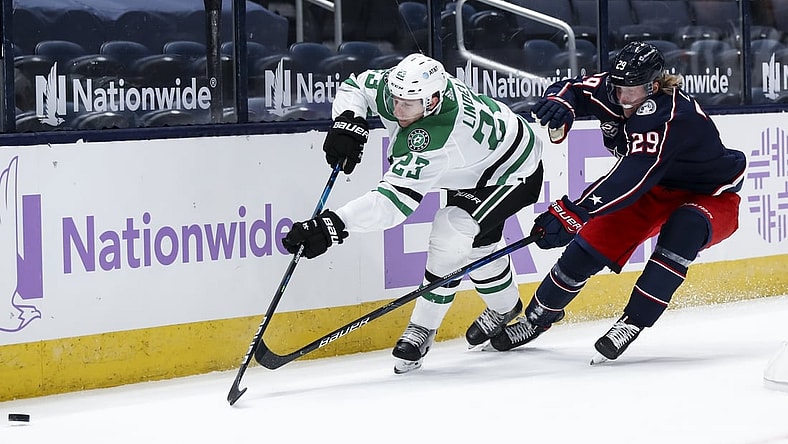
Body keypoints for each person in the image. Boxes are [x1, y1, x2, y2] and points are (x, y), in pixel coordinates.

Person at [282, 53, 546, 373]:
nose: (397, 110)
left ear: (433, 101)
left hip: (513, 172)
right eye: (395, 99)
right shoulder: (407, 90)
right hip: (475, 165)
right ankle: (506, 309)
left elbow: (393, 202)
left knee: (449, 234)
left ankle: (422, 327)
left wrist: (333, 226)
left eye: (408, 104)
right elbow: (357, 86)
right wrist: (347, 120)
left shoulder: (439, 136)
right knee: (479, 245)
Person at [489, 41, 747, 363]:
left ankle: (633, 321)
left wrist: (577, 210)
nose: (623, 98)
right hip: (654, 189)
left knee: (685, 229)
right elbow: (576, 89)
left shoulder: (671, 116)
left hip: (710, 194)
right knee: (586, 249)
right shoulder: (614, 89)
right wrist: (561, 102)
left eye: (633, 90)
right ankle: (537, 318)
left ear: (654, 86)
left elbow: (633, 173)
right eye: (619, 87)